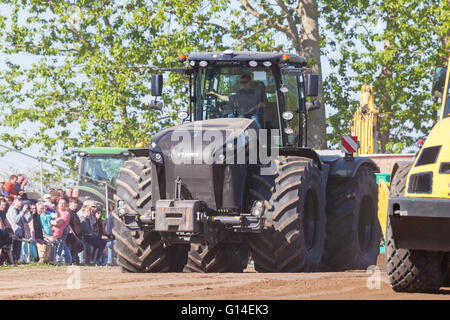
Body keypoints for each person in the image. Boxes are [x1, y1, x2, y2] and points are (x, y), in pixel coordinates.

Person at [77, 200, 106, 266]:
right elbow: (85, 230)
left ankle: (96, 259)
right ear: (83, 211)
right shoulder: (82, 218)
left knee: (103, 242)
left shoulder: (88, 218)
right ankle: (93, 260)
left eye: (89, 211)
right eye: (88, 211)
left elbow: (91, 228)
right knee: (98, 244)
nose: (89, 212)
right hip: (86, 236)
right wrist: (92, 234)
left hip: (90, 235)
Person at [51, 198, 72, 266]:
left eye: (63, 203)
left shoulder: (66, 214)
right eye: (60, 203)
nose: (62, 205)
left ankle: (58, 264)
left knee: (58, 251)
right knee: (51, 251)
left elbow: (58, 223)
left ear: (66, 205)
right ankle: (52, 263)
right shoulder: (54, 211)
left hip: (58, 234)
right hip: (49, 233)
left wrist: (48, 221)